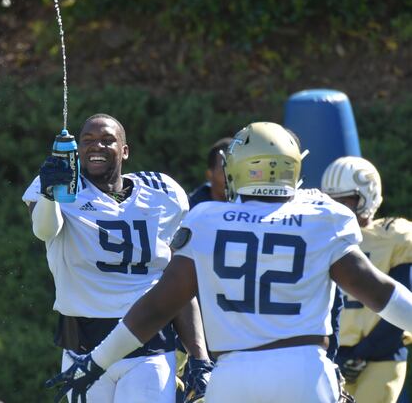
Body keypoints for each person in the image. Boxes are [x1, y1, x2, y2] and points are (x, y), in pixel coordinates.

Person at [46, 121, 412, 403]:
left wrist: (96, 361)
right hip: (304, 370)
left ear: (235, 168)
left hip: (233, 374)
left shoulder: (208, 219)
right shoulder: (323, 217)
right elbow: (380, 293)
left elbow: (159, 306)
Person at [24, 113, 211, 403]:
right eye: (87, 140)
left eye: (107, 140)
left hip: (149, 347)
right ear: (77, 150)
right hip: (81, 345)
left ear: (125, 150)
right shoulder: (60, 187)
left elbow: (176, 283)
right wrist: (50, 195)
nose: (96, 146)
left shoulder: (162, 194)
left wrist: (199, 356)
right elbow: (44, 230)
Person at [321, 156, 412, 403]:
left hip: (380, 354)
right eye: (331, 200)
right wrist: (338, 357)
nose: (337, 207)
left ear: (367, 196)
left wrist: (363, 353)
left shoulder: (394, 236)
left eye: (345, 200)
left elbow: (400, 305)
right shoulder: (324, 237)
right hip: (335, 356)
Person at [187, 137, 232, 208]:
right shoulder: (190, 211)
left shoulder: (251, 207)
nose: (233, 178)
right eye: (226, 172)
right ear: (209, 175)